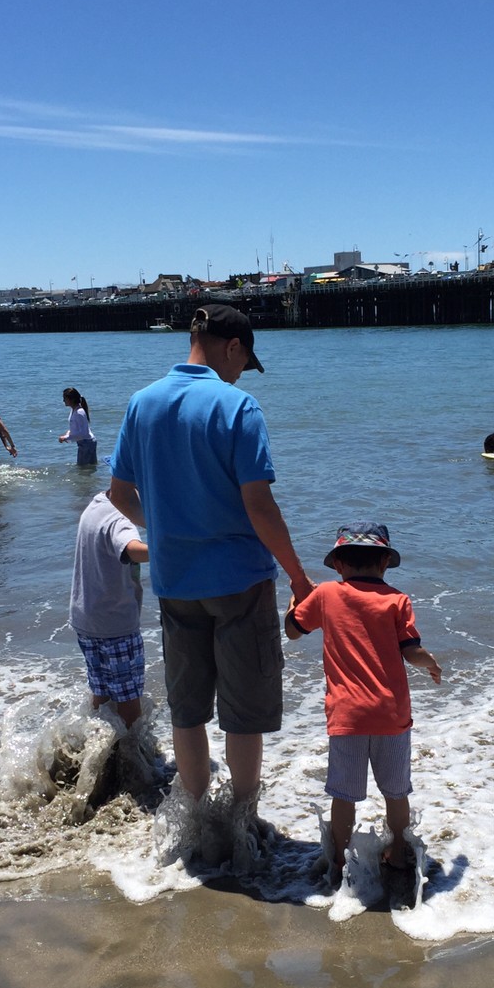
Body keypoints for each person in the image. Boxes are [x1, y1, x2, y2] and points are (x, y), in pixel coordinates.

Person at [108, 304, 313, 834]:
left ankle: (196, 820)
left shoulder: (142, 403)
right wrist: (298, 576)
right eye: (244, 361)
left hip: (175, 581)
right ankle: (243, 822)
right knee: (244, 712)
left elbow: (118, 494)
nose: (242, 372)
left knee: (189, 708)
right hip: (239, 579)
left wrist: (166, 525)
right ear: (234, 347)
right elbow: (259, 506)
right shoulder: (238, 406)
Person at [285, 522, 441, 884]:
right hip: (392, 715)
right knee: (396, 792)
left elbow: (293, 631)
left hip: (347, 716)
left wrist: (295, 603)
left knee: (344, 795)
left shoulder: (325, 595)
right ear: (385, 562)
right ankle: (399, 856)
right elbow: (411, 652)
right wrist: (431, 662)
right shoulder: (397, 600)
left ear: (338, 564)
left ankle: (339, 862)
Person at [69, 487, 149, 727]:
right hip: (116, 625)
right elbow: (131, 549)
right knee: (129, 701)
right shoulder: (120, 518)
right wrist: (172, 547)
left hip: (86, 619)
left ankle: (98, 749)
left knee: (101, 694)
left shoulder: (96, 505)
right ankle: (131, 757)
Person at [59, 387, 97, 465]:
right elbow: (78, 428)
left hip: (87, 443)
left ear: (72, 399)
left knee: (84, 469)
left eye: (65, 398)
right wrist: (68, 433)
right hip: (85, 442)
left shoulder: (79, 412)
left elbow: (83, 433)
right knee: (86, 468)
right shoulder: (74, 410)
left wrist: (66, 437)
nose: (63, 401)